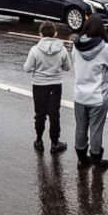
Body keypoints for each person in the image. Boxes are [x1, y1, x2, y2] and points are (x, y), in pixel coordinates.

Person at [72, 14, 108, 170]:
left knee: (80, 127)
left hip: (79, 95)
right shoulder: (106, 48)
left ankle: (81, 159)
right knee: (96, 129)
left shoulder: (76, 45)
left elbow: (75, 64)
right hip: (99, 97)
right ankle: (96, 158)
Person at [23, 21, 70, 153]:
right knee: (54, 114)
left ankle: (39, 140)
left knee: (40, 114)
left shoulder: (35, 50)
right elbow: (67, 67)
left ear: (40, 34)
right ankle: (55, 143)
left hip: (39, 86)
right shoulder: (62, 49)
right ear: (55, 34)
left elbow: (27, 68)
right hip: (55, 86)